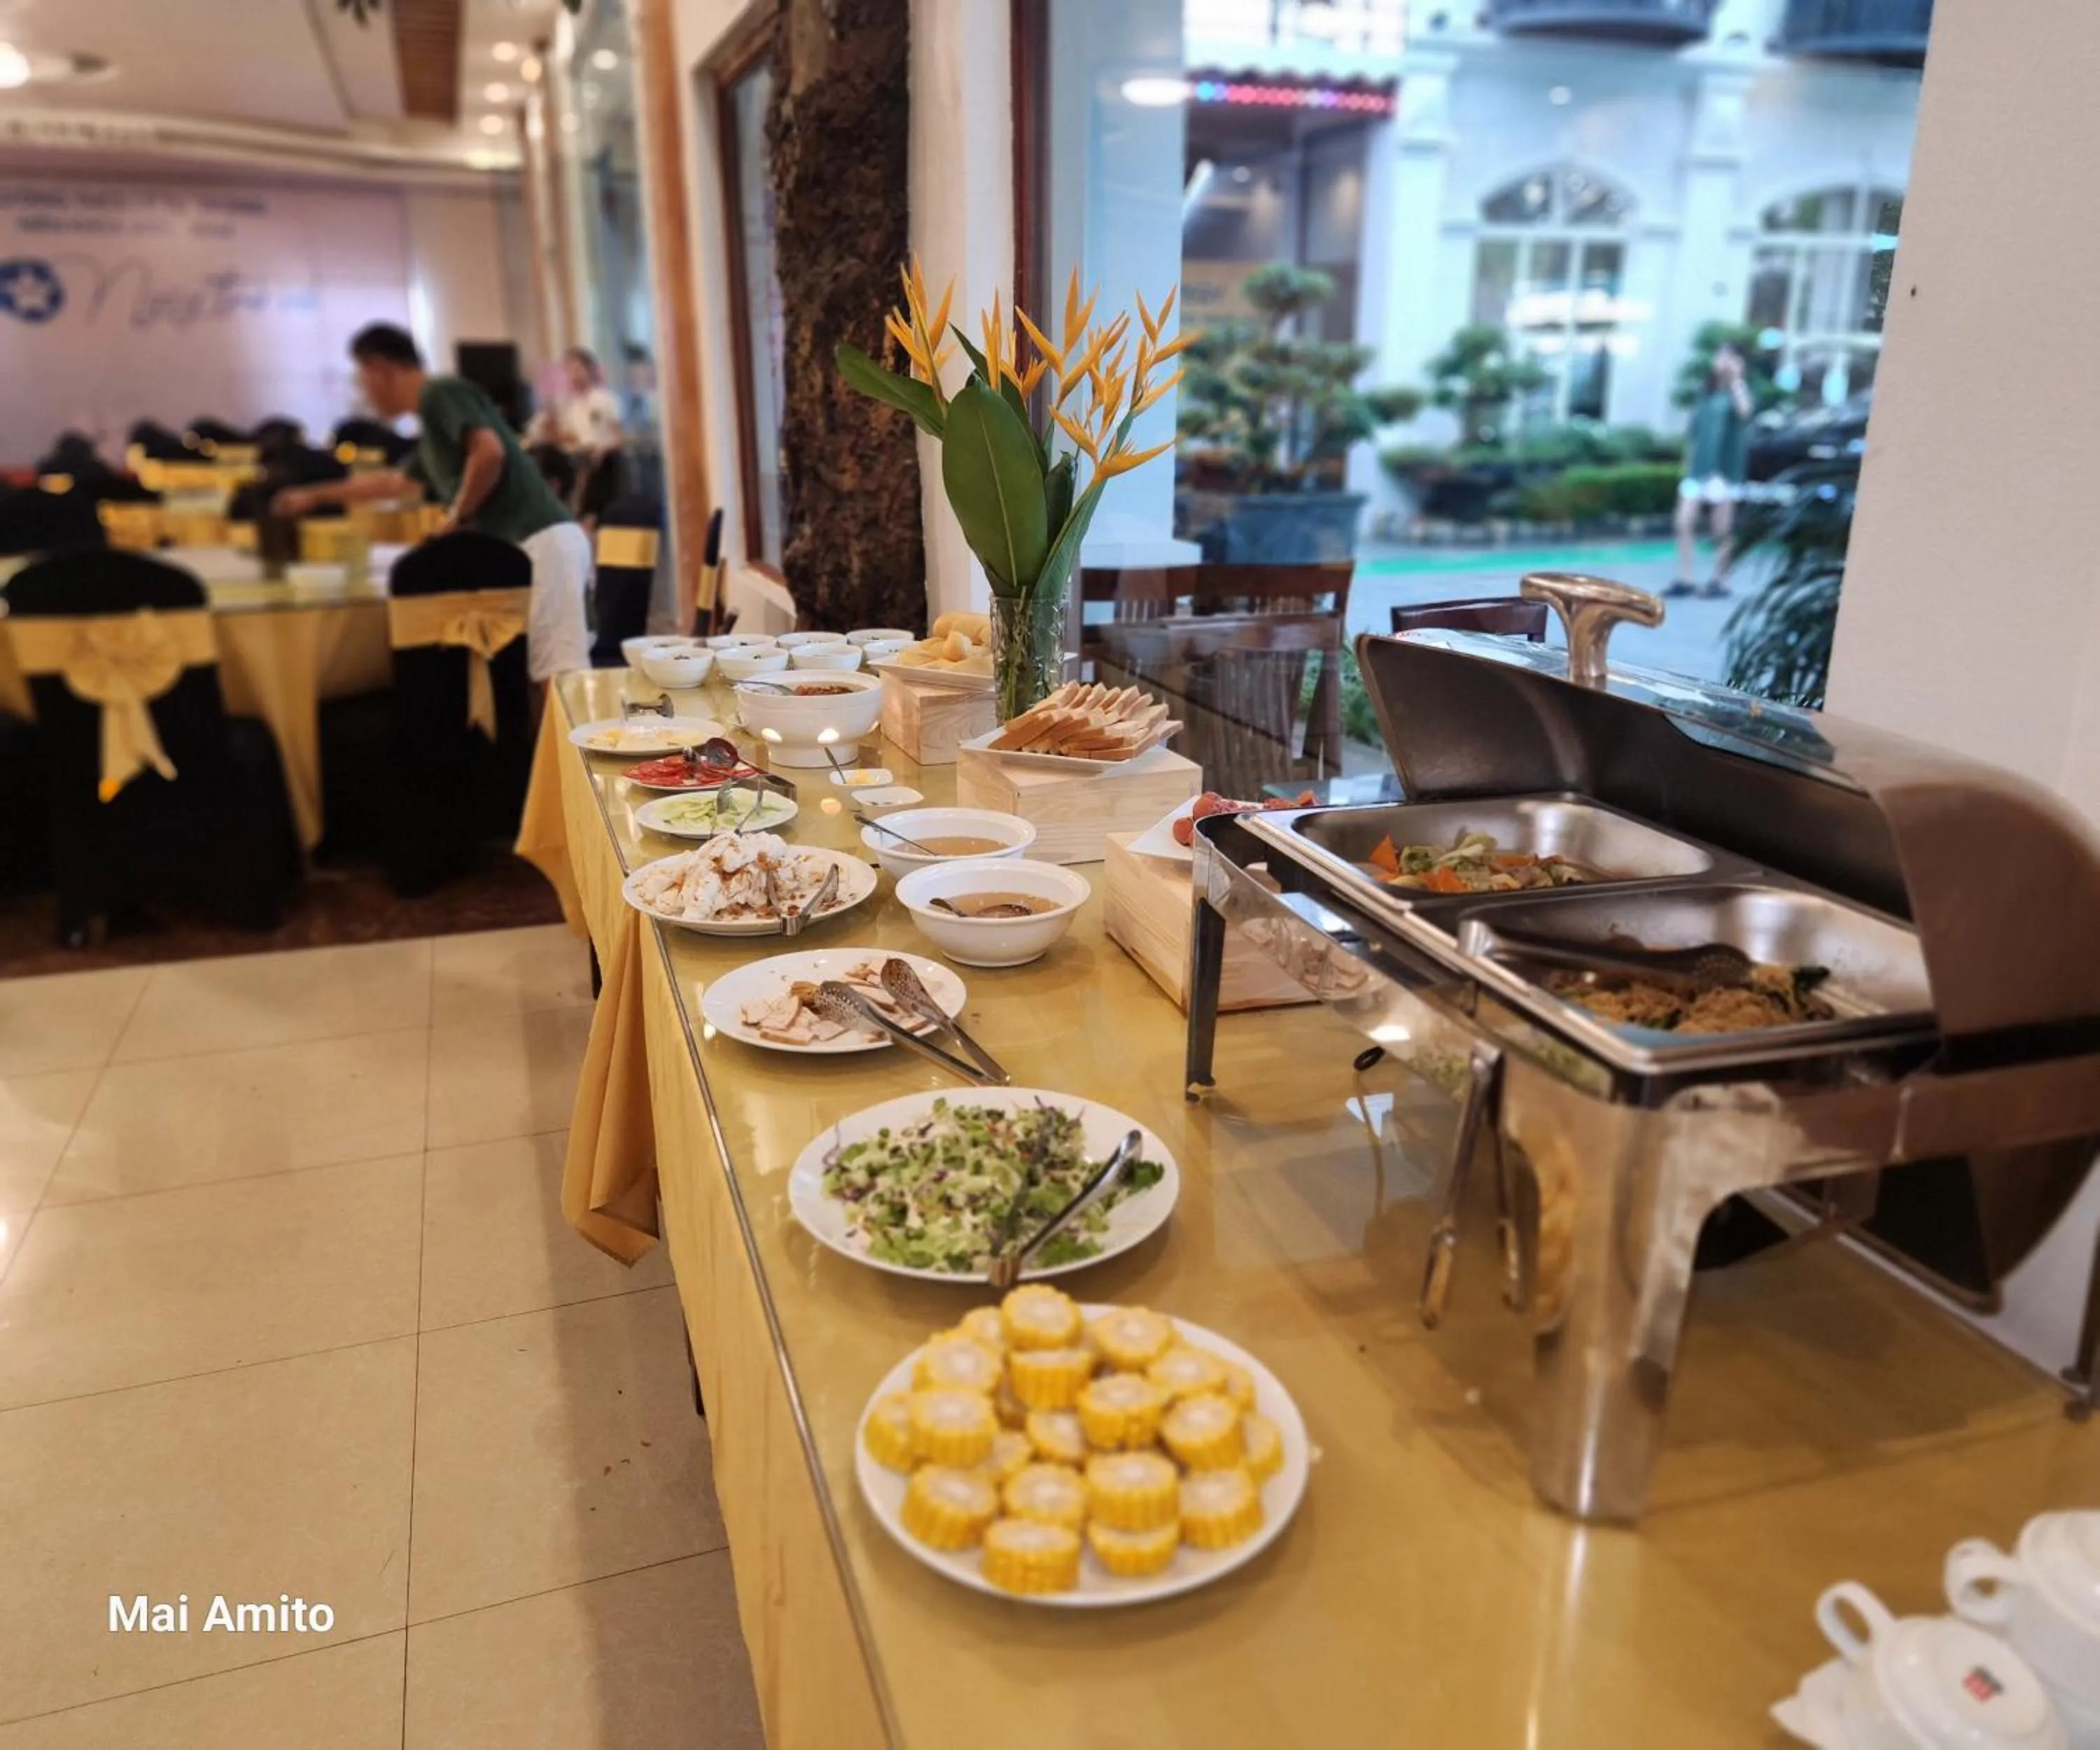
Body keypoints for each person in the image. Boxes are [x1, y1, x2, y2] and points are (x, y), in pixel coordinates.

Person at [272, 323, 590, 681]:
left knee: (557, 678)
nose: (363, 391)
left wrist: (458, 515)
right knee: (535, 678)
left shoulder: (441, 393)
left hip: (541, 540)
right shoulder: (432, 432)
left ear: (380, 368)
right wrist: (313, 495)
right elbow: (395, 483)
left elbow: (489, 453)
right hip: (526, 549)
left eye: (361, 378)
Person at [1668, 342, 1754, 601]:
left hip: (1724, 470)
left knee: (1721, 527)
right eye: (1721, 356)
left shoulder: (1739, 392)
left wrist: (1737, 379)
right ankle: (1685, 579)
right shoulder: (1705, 393)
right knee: (1683, 521)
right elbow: (1693, 434)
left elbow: (1745, 411)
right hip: (1698, 469)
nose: (1723, 362)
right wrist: (1686, 465)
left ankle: (1721, 579)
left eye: (1729, 357)